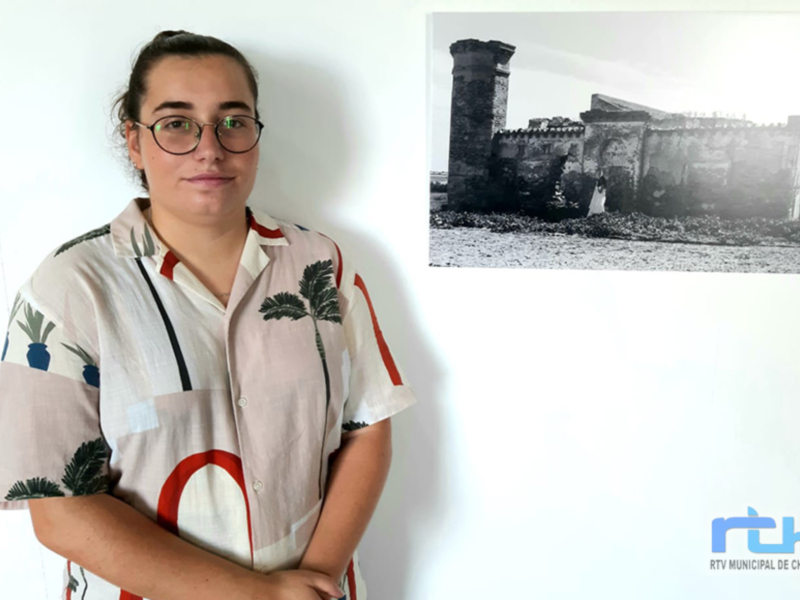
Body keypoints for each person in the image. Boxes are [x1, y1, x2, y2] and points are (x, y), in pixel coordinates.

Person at [0, 30, 417, 600]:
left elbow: (368, 428)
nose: (210, 147)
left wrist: (313, 582)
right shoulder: (68, 289)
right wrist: (262, 596)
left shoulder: (320, 264)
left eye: (233, 121)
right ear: (134, 141)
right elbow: (60, 508)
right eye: (177, 123)